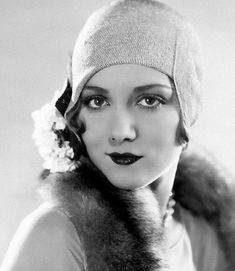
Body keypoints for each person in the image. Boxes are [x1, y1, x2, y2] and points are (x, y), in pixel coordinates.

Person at [1, 0, 235, 270]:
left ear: (188, 110)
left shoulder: (202, 230)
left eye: (149, 101)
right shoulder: (55, 236)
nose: (121, 132)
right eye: (98, 102)